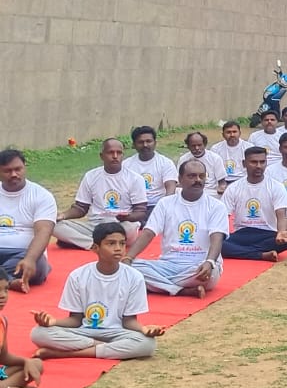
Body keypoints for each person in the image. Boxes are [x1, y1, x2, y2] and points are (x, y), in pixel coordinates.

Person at [30, 222, 163, 360]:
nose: (118, 248)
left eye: (122, 243)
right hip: (84, 332)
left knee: (148, 343)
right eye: (111, 244)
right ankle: (105, 347)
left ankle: (64, 354)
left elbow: (128, 321)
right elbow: (75, 320)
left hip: (117, 333)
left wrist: (144, 329)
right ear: (95, 248)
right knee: (38, 333)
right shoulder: (78, 275)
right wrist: (53, 322)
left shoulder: (134, 277)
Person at [128, 160, 226, 298]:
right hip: (168, 265)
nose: (198, 180)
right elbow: (148, 233)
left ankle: (159, 285)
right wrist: (128, 258)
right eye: (191, 176)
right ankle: (180, 290)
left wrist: (210, 262)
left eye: (201, 176)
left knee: (209, 274)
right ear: (179, 179)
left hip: (199, 267)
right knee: (130, 268)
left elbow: (217, 237)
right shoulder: (165, 203)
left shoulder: (216, 206)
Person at [56, 139, 148, 250]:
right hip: (96, 225)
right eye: (110, 152)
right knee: (54, 226)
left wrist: (128, 217)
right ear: (102, 156)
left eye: (119, 153)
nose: (115, 156)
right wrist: (63, 215)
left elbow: (141, 211)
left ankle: (91, 242)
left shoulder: (135, 178)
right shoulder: (91, 176)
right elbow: (81, 208)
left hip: (120, 224)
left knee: (131, 227)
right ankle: (92, 245)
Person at [220, 147, 287, 262]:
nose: (258, 166)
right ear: (244, 164)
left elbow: (281, 216)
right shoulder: (233, 188)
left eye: (262, 162)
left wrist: (281, 233)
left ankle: (243, 252)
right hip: (242, 234)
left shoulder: (276, 187)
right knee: (218, 243)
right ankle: (261, 255)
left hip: (267, 234)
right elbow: (223, 216)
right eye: (254, 162)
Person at [0, 150, 54, 291]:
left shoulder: (41, 196)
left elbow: (44, 231)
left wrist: (30, 259)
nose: (13, 174)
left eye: (18, 169)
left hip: (25, 253)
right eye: (7, 171)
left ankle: (4, 279)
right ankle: (10, 282)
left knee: (38, 264)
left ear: (25, 166)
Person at [0, 270, 45, 388]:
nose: (3, 296)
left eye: (6, 290)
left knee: (36, 365)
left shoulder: (2, 321)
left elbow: (3, 357)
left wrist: (26, 361)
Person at [126, 126, 177, 208]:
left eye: (149, 141)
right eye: (140, 142)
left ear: (155, 143)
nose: (145, 145)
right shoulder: (126, 165)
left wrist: (164, 208)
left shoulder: (166, 163)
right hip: (134, 206)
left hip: (157, 205)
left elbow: (171, 188)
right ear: (134, 145)